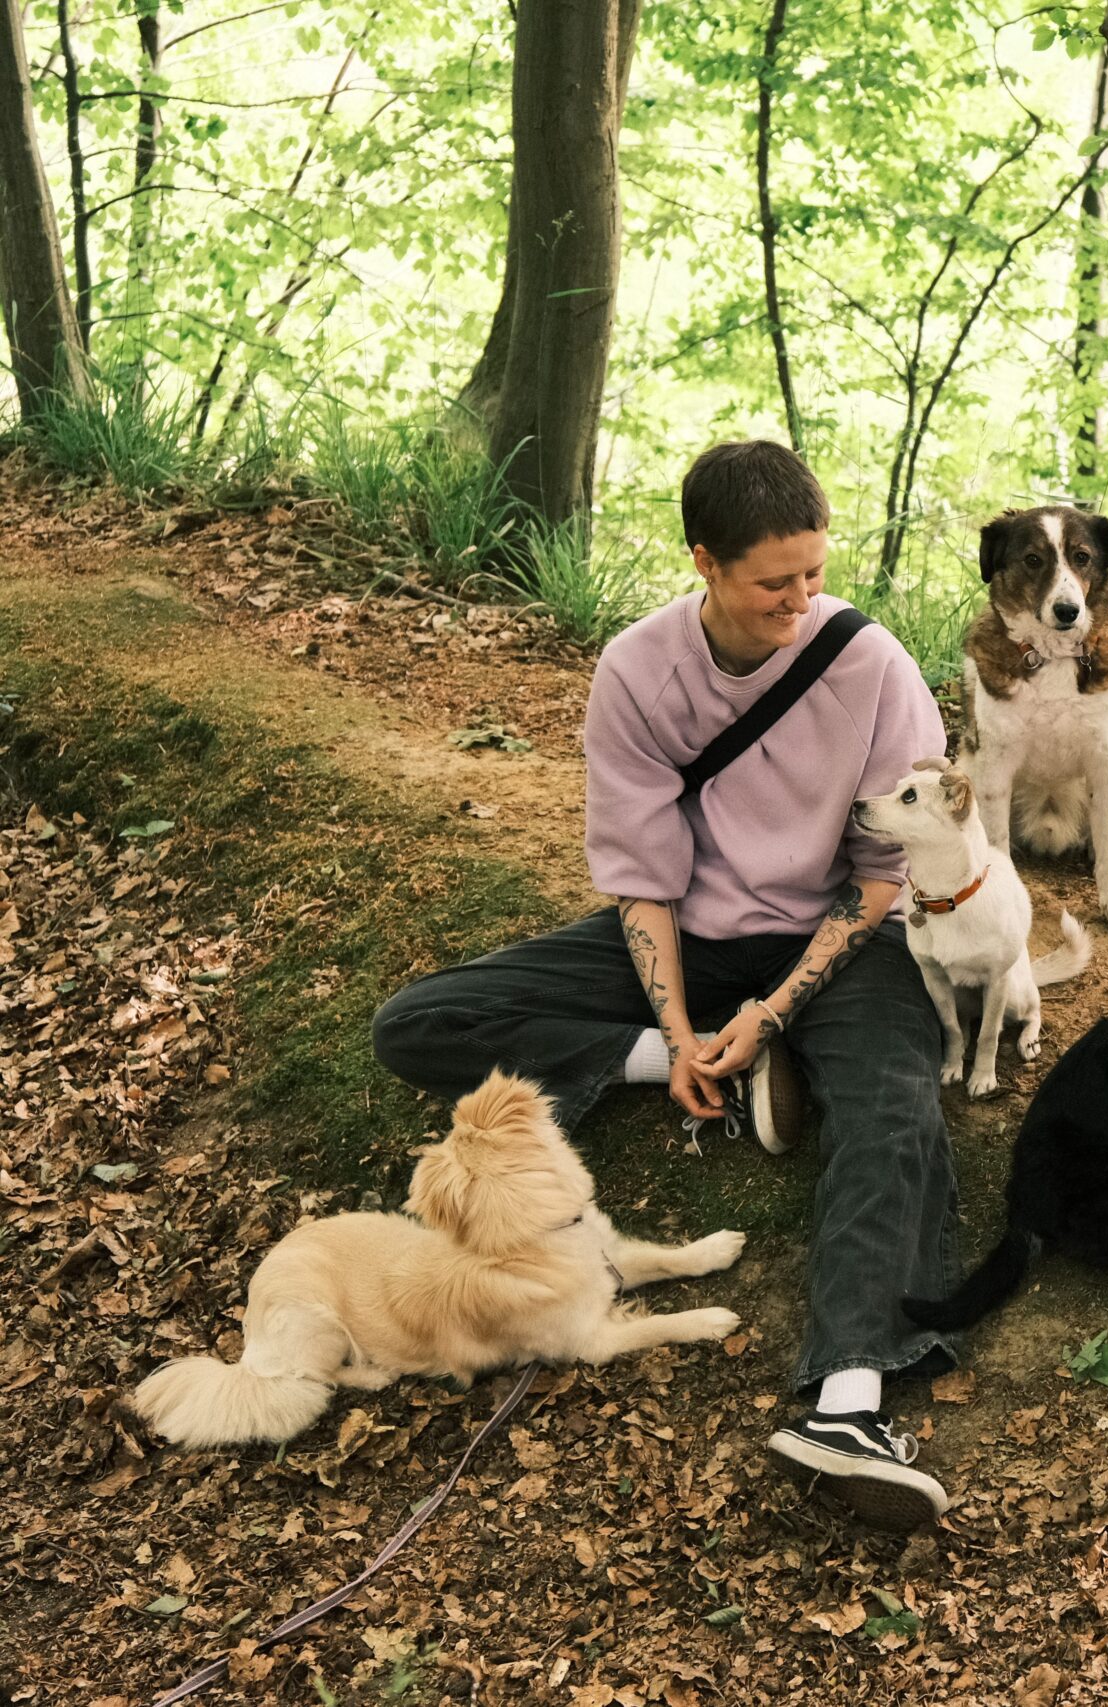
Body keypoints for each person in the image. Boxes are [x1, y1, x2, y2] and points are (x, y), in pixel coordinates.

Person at [371, 440, 959, 1529]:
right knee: (420, 1021)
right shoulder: (639, 670)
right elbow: (643, 883)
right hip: (693, 934)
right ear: (704, 563)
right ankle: (692, 1070)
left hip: (840, 936)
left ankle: (847, 1404)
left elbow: (886, 878)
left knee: (895, 1110)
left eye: (814, 573)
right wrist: (681, 1035)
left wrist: (775, 1008)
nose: (800, 602)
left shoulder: (872, 665)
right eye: (773, 582)